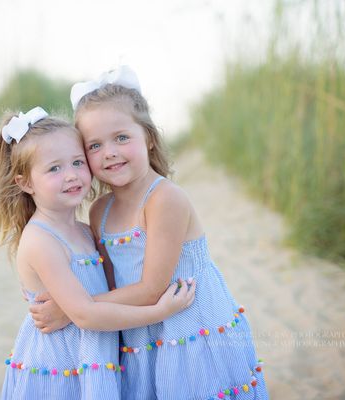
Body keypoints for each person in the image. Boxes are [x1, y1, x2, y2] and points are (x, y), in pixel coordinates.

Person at [30, 67, 269, 399]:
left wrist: (70, 310)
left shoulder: (164, 199)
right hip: (139, 328)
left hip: (187, 323)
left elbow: (152, 288)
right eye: (95, 145)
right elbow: (111, 285)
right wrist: (80, 305)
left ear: (149, 137)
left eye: (122, 138)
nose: (109, 152)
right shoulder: (100, 211)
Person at [0, 106, 195, 400]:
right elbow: (84, 314)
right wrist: (158, 312)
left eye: (77, 162)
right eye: (54, 168)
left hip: (93, 356)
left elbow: (108, 290)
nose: (71, 175)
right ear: (25, 182)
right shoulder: (40, 240)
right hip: (61, 366)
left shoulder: (86, 232)